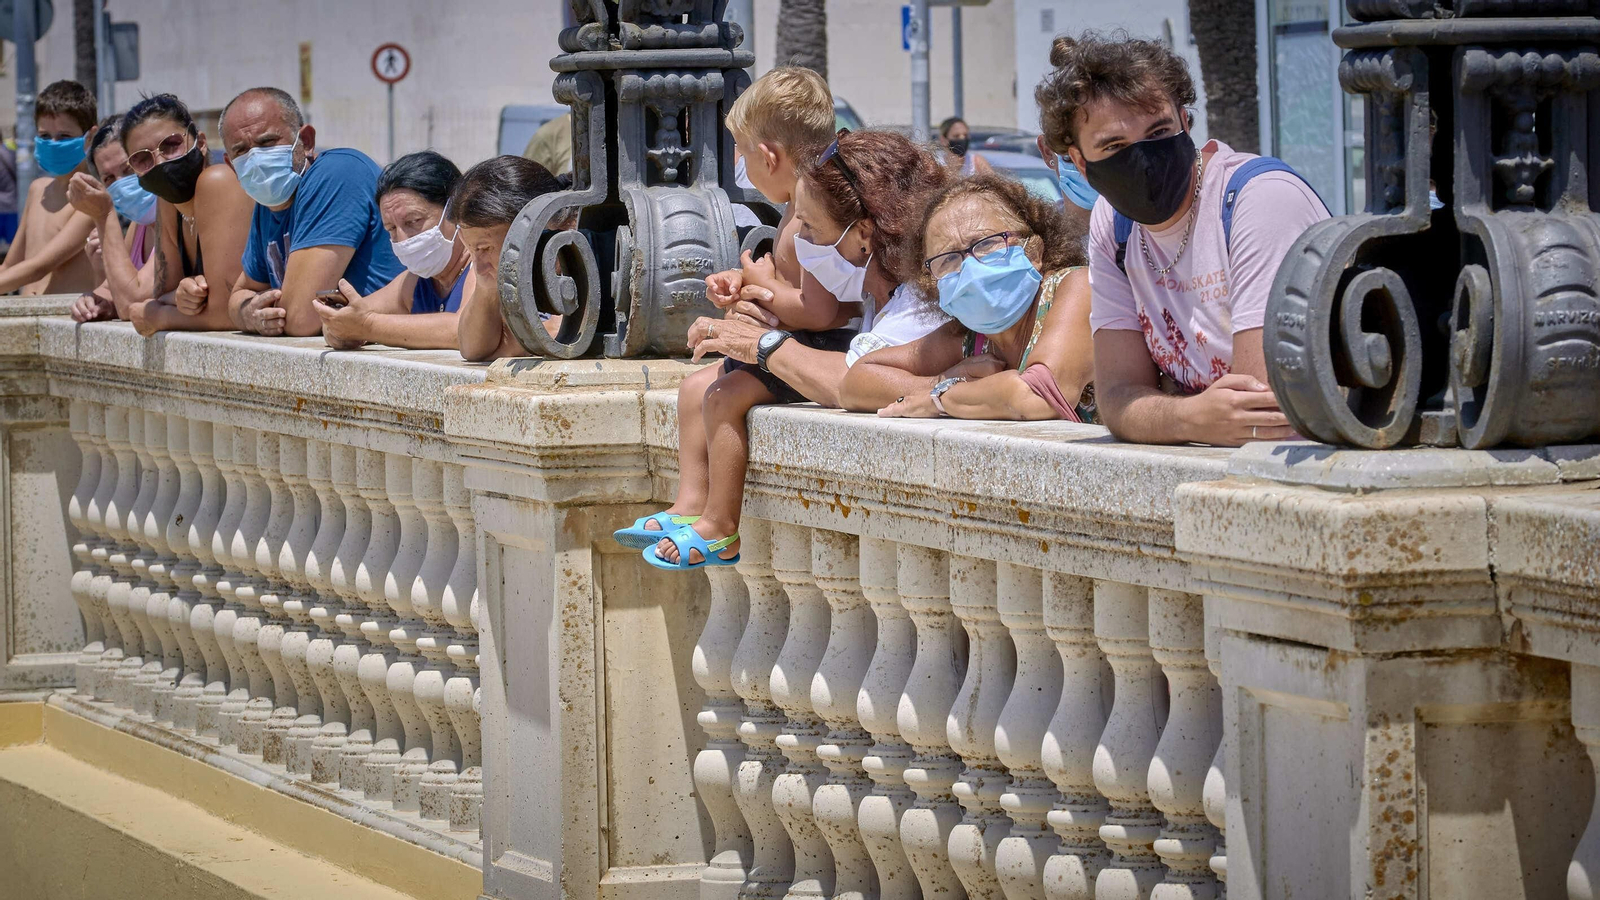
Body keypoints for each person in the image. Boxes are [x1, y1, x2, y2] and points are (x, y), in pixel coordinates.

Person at [1037, 31, 1329, 446]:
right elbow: (1117, 398)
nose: (1142, 159)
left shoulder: (1259, 200)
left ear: (1186, 122)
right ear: (1082, 163)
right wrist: (1190, 417)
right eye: (1115, 145)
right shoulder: (1115, 224)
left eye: (1158, 133)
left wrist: (1160, 412)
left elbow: (1260, 413)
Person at [609, 65, 844, 562]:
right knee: (694, 387)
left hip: (821, 348)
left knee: (722, 396)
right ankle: (691, 504)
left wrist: (761, 286)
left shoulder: (809, 211)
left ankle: (721, 526)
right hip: (799, 341)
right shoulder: (795, 205)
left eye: (741, 154)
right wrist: (747, 285)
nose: (741, 166)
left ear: (769, 155)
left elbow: (822, 311)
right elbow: (796, 289)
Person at [689, 129, 956, 415]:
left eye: (811, 227)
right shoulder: (879, 293)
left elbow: (851, 383)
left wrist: (759, 343)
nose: (800, 241)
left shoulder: (918, 306)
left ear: (863, 234)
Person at [868, 174, 1095, 421]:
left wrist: (940, 399)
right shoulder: (973, 340)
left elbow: (1038, 396)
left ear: (1034, 252)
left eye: (986, 244)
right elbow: (859, 378)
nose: (970, 269)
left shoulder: (1078, 286)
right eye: (948, 259)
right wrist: (942, 380)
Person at [221, 87, 402, 337]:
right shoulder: (266, 204)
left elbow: (299, 318)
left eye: (267, 142)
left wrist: (262, 308)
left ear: (305, 141)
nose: (256, 160)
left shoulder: (337, 174)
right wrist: (249, 314)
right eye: (241, 151)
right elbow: (238, 297)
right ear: (231, 165)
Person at [95, 94, 257, 335]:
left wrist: (157, 316)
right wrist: (180, 295)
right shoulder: (168, 201)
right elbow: (161, 294)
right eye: (142, 159)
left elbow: (226, 314)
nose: (159, 162)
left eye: (171, 145)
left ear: (200, 142)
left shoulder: (218, 182)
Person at [316, 151, 473, 350]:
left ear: (455, 209)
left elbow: (464, 330)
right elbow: (350, 316)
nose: (403, 239)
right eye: (391, 229)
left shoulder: (483, 266)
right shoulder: (413, 282)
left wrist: (367, 326)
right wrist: (338, 329)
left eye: (414, 221)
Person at [452, 155, 567, 361]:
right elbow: (473, 349)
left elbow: (558, 335)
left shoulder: (577, 251)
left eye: (485, 248)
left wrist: (508, 347)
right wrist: (487, 289)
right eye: (472, 250)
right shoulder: (488, 266)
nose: (478, 266)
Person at [0, 80, 98, 295]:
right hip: (28, 315)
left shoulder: (93, 198)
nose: (53, 143)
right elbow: (9, 265)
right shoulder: (38, 190)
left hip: (65, 318)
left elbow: (39, 267)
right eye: (45, 136)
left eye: (64, 136)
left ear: (89, 137)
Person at [67, 116, 158, 323]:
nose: (122, 183)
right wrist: (93, 301)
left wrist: (103, 215)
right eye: (108, 178)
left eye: (128, 169)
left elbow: (132, 303)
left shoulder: (177, 215)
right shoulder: (140, 224)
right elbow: (113, 288)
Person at [1038, 135, 1098, 233]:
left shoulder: (1131, 230)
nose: (1084, 164)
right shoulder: (1032, 235)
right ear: (1047, 152)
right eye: (1074, 146)